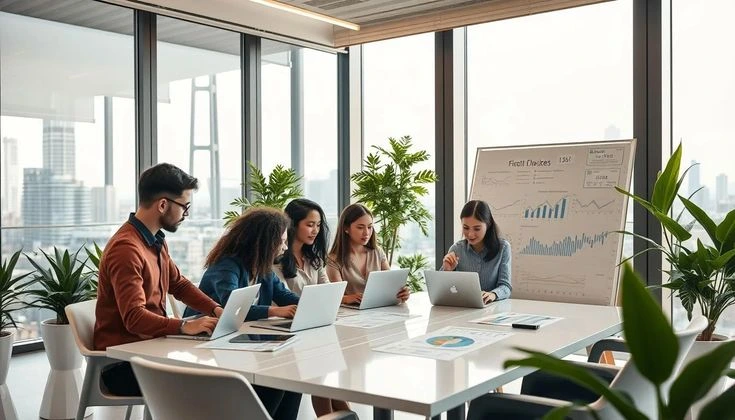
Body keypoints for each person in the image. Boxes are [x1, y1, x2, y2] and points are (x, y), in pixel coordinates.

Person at [94, 163, 224, 397]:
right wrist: (184, 326)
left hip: (153, 349)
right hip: (122, 364)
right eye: (185, 206)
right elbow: (134, 318)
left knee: (263, 382)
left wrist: (215, 310)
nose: (187, 214)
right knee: (223, 380)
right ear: (163, 204)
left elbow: (179, 284)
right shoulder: (126, 249)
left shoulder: (155, 241)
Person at [184, 206, 302, 420]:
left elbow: (285, 296)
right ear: (264, 242)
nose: (285, 247)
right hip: (210, 344)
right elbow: (232, 305)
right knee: (276, 380)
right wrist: (275, 310)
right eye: (282, 241)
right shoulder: (226, 265)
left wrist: (310, 302)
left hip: (241, 341)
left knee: (292, 379)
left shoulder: (263, 267)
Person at [273, 199, 350, 416]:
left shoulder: (314, 258)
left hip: (314, 326)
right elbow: (277, 301)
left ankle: (337, 415)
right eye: (309, 224)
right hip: (290, 332)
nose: (315, 230)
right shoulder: (276, 260)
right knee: (323, 362)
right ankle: (336, 415)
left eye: (317, 225)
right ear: (293, 225)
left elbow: (327, 291)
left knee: (326, 360)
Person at [326, 203, 410, 304]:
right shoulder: (333, 259)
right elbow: (335, 296)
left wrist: (401, 293)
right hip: (350, 314)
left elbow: (390, 285)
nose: (366, 233)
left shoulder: (377, 252)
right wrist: (347, 299)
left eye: (370, 227)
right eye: (360, 227)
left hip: (380, 310)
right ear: (346, 228)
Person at [441, 200, 512, 304]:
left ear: (488, 225)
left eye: (477, 229)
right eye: (466, 228)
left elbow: (506, 286)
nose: (470, 234)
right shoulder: (456, 249)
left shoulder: (503, 248)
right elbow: (442, 290)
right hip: (463, 309)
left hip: (491, 309)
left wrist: (493, 294)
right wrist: (447, 270)